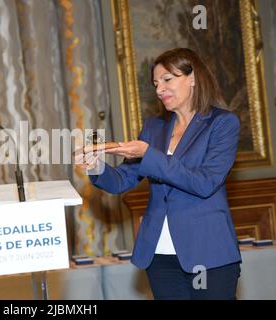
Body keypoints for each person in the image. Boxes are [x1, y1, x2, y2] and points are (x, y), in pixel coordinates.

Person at [77, 48, 241, 299]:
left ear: (193, 78)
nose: (159, 89)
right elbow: (123, 180)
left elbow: (205, 183)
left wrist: (148, 154)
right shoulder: (154, 127)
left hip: (209, 253)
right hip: (160, 256)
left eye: (167, 79)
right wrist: (96, 165)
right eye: (155, 83)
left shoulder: (222, 123)